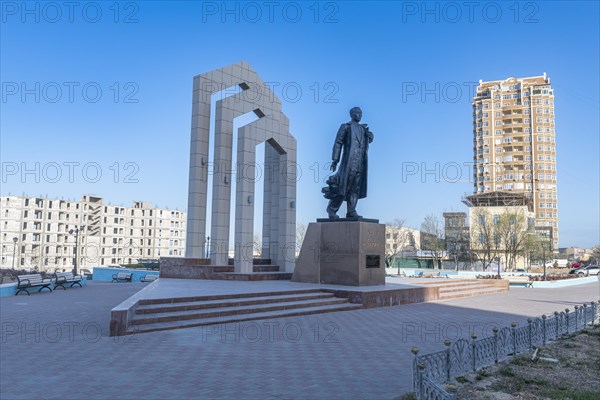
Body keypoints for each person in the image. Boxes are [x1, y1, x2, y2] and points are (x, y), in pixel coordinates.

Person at [323, 107, 373, 219]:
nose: (359, 115)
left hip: (360, 163)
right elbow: (338, 142)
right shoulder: (346, 127)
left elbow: (367, 141)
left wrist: (370, 137)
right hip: (349, 163)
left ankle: (351, 211)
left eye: (361, 113)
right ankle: (332, 209)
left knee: (355, 188)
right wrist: (335, 159)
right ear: (352, 114)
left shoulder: (363, 129)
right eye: (357, 113)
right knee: (342, 187)